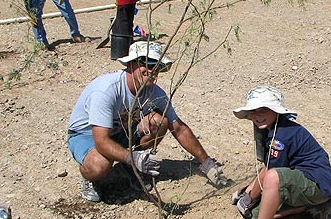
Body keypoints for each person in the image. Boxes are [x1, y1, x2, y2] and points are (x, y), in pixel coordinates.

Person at [67, 41, 227, 202]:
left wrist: (206, 162)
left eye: (156, 66)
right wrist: (132, 157)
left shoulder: (154, 92)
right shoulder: (106, 91)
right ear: (131, 64)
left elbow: (179, 129)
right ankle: (91, 178)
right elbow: (101, 141)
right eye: (146, 64)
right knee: (99, 165)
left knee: (160, 121)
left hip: (121, 131)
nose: (151, 71)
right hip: (87, 136)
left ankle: (129, 167)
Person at [227, 86, 331, 219]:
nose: (257, 115)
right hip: (303, 180)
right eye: (253, 111)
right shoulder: (272, 128)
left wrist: (248, 198)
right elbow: (266, 166)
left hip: (318, 183)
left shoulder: (282, 136)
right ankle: (312, 206)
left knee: (272, 180)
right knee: (258, 212)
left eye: (263, 109)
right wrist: (247, 194)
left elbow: (270, 172)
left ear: (276, 111)